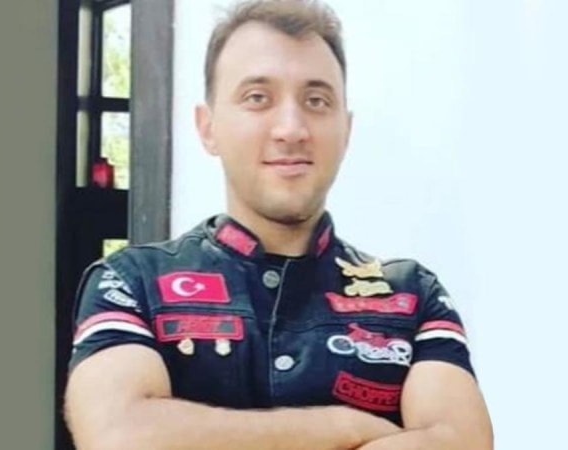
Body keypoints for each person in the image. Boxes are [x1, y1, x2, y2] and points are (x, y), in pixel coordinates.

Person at [65, 0, 493, 448]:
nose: (291, 128)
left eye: (316, 101)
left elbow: (460, 442)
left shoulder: (412, 297)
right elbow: (122, 435)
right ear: (208, 127)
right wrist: (345, 428)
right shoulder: (132, 283)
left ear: (346, 130)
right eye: (257, 98)